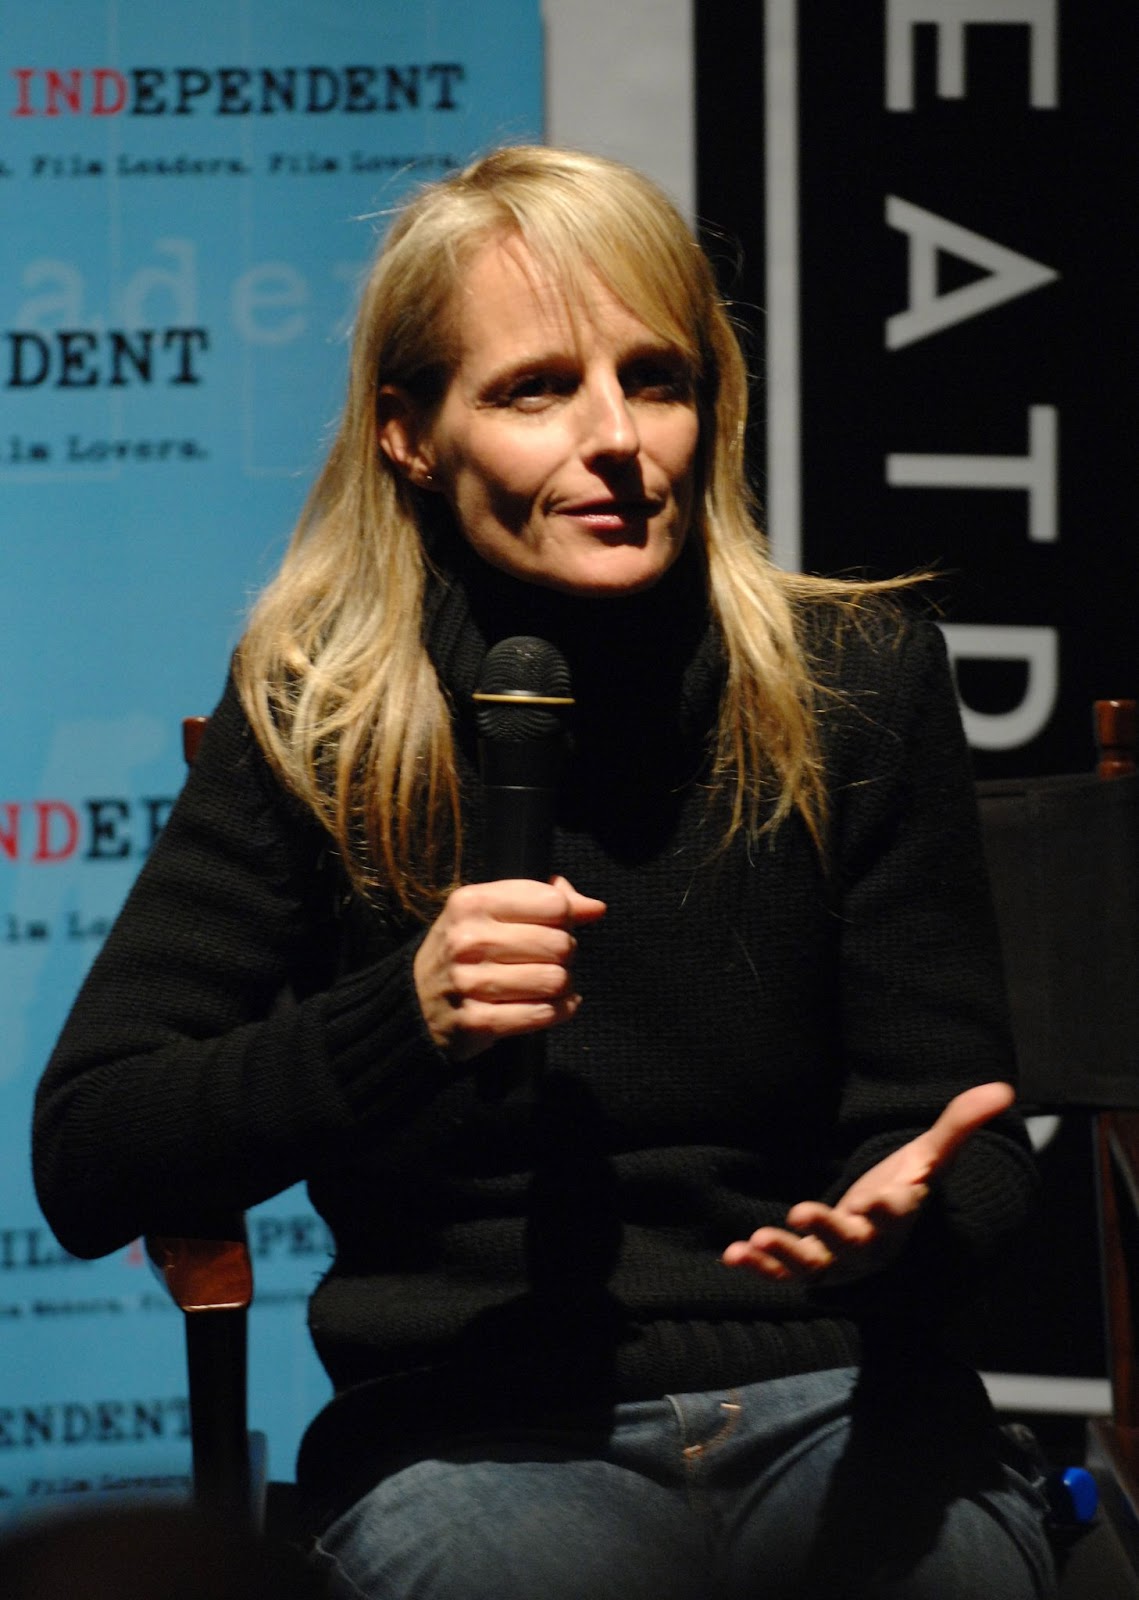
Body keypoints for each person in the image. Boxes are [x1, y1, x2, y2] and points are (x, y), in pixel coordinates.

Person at [33, 146, 1053, 1598]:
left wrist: (912, 1219)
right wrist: (403, 1020)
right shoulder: (320, 714)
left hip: (839, 1398)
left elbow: (969, 1144)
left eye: (657, 378)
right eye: (532, 391)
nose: (616, 439)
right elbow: (91, 1149)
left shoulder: (854, 682)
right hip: (472, 1437)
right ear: (410, 434)